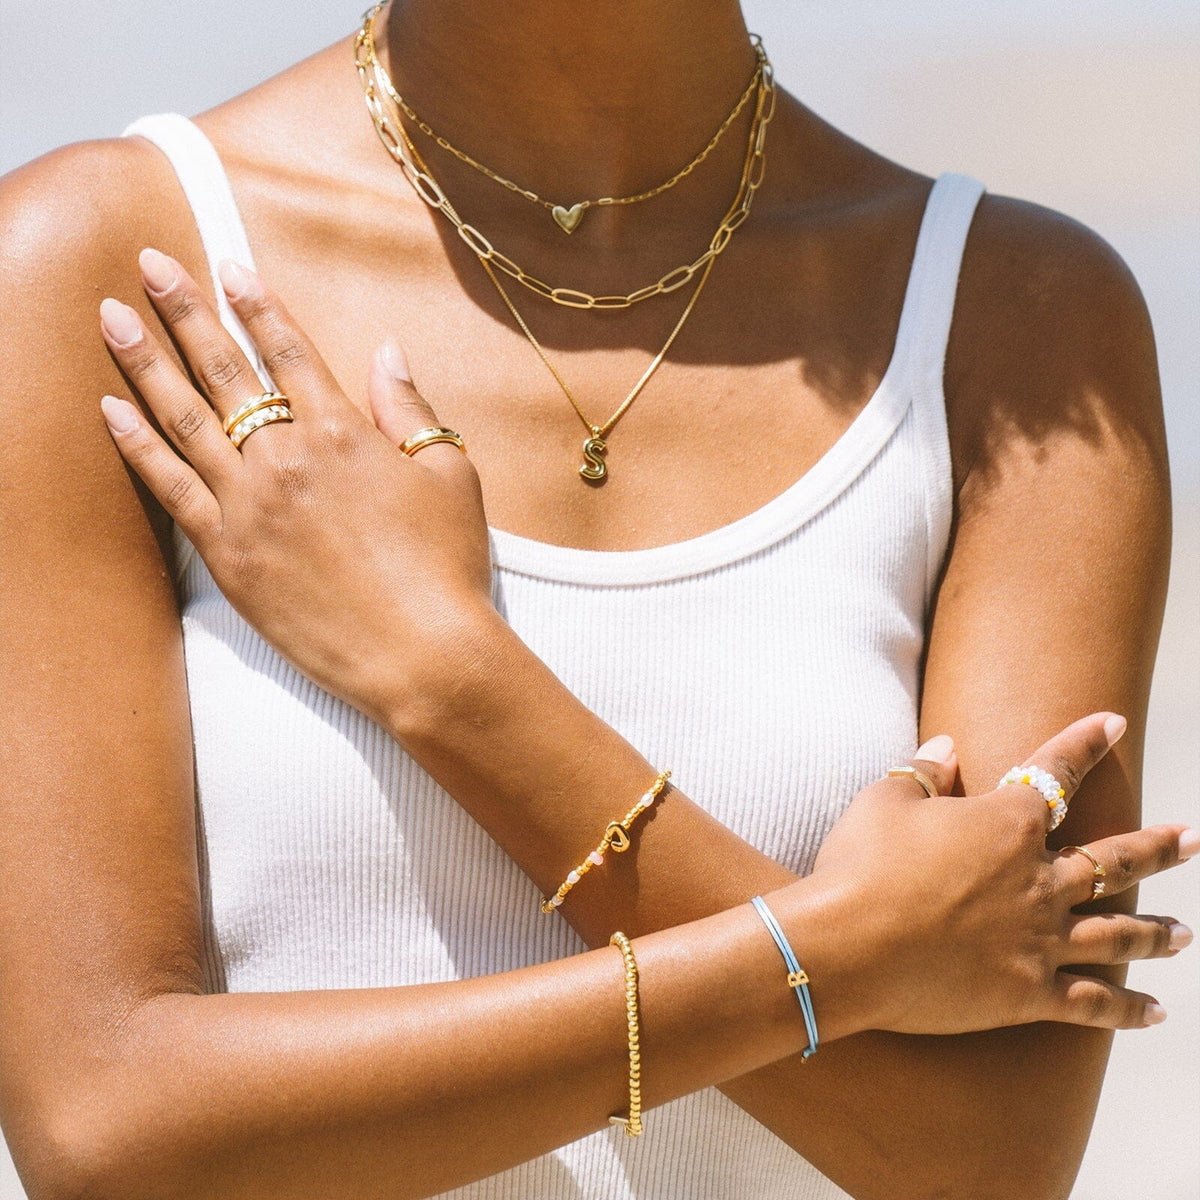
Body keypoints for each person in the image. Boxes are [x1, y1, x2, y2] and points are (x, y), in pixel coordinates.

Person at [0, 1, 1192, 1197]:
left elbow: (986, 1158)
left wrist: (451, 678)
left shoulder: (1019, 319)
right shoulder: (99, 266)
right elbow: (103, 1128)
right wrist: (837, 952)